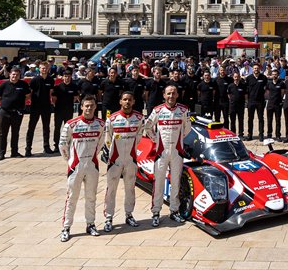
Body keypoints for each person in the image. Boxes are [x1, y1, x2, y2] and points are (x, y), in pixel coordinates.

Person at [143, 84, 192, 227]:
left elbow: (187, 128)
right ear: (164, 95)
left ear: (177, 95)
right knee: (158, 183)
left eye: (174, 93)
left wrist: (179, 140)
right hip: (161, 153)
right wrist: (155, 139)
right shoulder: (157, 110)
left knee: (176, 182)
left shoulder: (183, 110)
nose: (171, 96)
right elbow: (147, 126)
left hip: (177, 152)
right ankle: (156, 212)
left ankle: (174, 211)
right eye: (168, 93)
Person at [58, 96, 105, 241]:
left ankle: (90, 224)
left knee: (91, 197)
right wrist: (71, 161)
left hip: (92, 165)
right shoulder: (71, 124)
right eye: (86, 106)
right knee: (72, 197)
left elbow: (101, 143)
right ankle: (66, 228)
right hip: (75, 166)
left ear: (95, 107)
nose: (89, 108)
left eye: (91, 105)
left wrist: (90, 157)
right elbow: (62, 145)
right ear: (82, 107)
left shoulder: (101, 124)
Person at [102, 91, 144, 232]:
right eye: (124, 99)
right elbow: (107, 139)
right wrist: (112, 152)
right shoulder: (112, 119)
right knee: (111, 189)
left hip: (131, 159)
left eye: (129, 100)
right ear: (120, 101)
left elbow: (139, 137)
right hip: (115, 159)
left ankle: (129, 215)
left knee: (130, 188)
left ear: (133, 101)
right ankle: (108, 217)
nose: (127, 102)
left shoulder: (139, 118)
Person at [0, 67, 30, 160]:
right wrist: (5, 105)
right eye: (13, 74)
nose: (15, 76)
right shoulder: (4, 85)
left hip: (17, 113)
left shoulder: (23, 85)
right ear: (10, 74)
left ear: (19, 76)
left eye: (17, 75)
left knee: (15, 133)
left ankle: (14, 152)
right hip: (4, 112)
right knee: (3, 133)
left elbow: (27, 96)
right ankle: (1, 153)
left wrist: (19, 105)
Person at [26, 62, 55, 156]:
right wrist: (33, 101)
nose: (44, 69)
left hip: (46, 106)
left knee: (46, 127)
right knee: (31, 128)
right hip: (35, 107)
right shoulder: (34, 80)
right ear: (39, 69)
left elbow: (51, 92)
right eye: (42, 68)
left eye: (46, 68)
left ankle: (46, 147)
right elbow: (29, 93)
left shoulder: (50, 80)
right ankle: (28, 148)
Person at [52, 69, 81, 153]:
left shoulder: (74, 86)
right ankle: (56, 145)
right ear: (63, 77)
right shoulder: (57, 87)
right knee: (57, 128)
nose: (67, 78)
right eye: (65, 76)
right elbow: (53, 99)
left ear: (71, 77)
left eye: (68, 76)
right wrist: (56, 107)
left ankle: (67, 144)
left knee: (68, 128)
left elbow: (76, 98)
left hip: (69, 110)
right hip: (59, 110)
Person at [245, 64, 266, 140]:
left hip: (260, 101)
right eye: (254, 68)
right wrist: (247, 101)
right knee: (250, 118)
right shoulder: (249, 78)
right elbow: (246, 91)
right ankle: (250, 134)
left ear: (259, 69)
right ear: (252, 69)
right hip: (251, 101)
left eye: (257, 68)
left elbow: (266, 89)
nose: (256, 69)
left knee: (261, 118)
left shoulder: (263, 78)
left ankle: (261, 134)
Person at [265, 72, 286, 141]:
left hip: (278, 105)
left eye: (275, 74)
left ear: (278, 75)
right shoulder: (269, 83)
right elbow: (267, 92)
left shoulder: (281, 83)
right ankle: (269, 134)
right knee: (269, 120)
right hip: (270, 104)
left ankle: (278, 135)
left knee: (278, 121)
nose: (274, 75)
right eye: (273, 74)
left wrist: (279, 101)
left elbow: (282, 93)